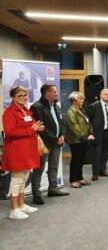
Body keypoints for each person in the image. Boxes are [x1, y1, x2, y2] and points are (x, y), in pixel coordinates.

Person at [2, 86, 43, 219]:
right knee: (17, 180)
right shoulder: (9, 113)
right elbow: (9, 132)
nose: (24, 98)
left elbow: (30, 127)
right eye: (20, 96)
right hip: (16, 151)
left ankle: (21, 205)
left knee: (23, 178)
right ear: (13, 98)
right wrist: (32, 129)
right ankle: (14, 209)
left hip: (28, 150)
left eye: (25, 95)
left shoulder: (26, 111)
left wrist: (37, 128)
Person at [30, 83, 69, 205]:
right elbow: (41, 128)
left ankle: (53, 189)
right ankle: (36, 194)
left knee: (54, 167)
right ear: (47, 93)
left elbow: (61, 123)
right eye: (55, 92)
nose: (57, 93)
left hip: (57, 142)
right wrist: (55, 139)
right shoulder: (37, 107)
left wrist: (62, 135)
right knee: (39, 169)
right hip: (45, 143)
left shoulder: (56, 106)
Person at [65, 92, 95, 188]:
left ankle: (80, 178)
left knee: (81, 160)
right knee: (76, 160)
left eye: (82, 99)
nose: (82, 101)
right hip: (76, 141)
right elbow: (75, 128)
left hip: (83, 140)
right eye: (80, 99)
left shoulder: (81, 110)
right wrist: (85, 137)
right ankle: (73, 180)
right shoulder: (71, 112)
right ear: (74, 101)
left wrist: (91, 133)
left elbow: (88, 122)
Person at [86, 89, 108, 181]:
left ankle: (102, 171)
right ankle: (95, 173)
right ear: (100, 95)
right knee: (97, 153)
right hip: (98, 133)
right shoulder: (94, 106)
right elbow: (88, 121)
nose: (107, 96)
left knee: (105, 153)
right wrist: (90, 133)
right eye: (105, 94)